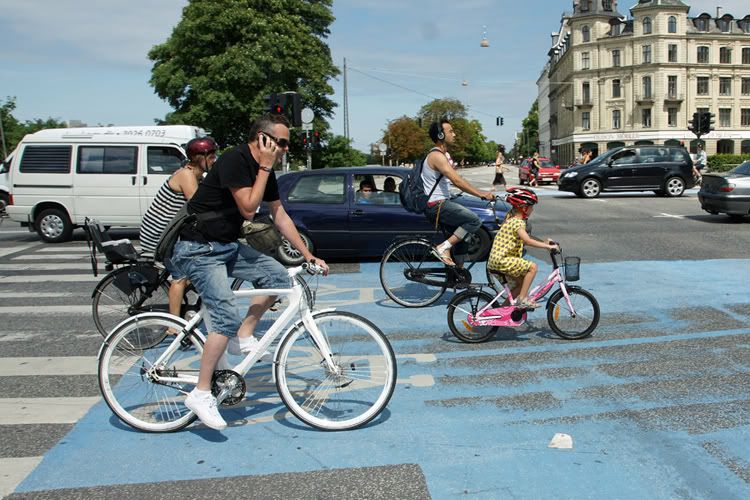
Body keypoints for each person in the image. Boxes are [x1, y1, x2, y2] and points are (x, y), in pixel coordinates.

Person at [173, 114, 329, 431]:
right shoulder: (235, 159)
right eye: (281, 142)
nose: (285, 149)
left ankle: (242, 336)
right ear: (263, 139)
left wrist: (308, 254)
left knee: (276, 276)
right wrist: (266, 167)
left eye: (287, 143)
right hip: (199, 249)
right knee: (225, 315)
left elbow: (279, 215)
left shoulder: (264, 171)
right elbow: (247, 207)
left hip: (226, 246)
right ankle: (201, 394)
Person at [139, 137, 218, 321]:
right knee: (180, 277)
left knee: (194, 265)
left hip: (171, 232)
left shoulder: (196, 174)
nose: (215, 160)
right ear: (200, 158)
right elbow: (198, 206)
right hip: (160, 235)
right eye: (212, 157)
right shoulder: (187, 175)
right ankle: (173, 325)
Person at [423, 120, 495, 267]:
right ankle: (442, 248)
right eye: (451, 131)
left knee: (464, 237)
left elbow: (456, 181)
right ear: (441, 135)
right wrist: (481, 194)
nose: (454, 134)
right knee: (474, 221)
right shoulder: (436, 156)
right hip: (437, 205)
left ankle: (457, 273)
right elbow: (457, 180)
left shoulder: (442, 155)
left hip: (441, 202)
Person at [487, 187, 558, 309]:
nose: (532, 210)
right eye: (531, 207)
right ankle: (523, 299)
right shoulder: (518, 222)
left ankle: (500, 313)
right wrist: (546, 246)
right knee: (532, 267)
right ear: (523, 207)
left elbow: (525, 238)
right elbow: (527, 240)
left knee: (519, 285)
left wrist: (544, 242)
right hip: (502, 260)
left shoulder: (511, 219)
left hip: (496, 261)